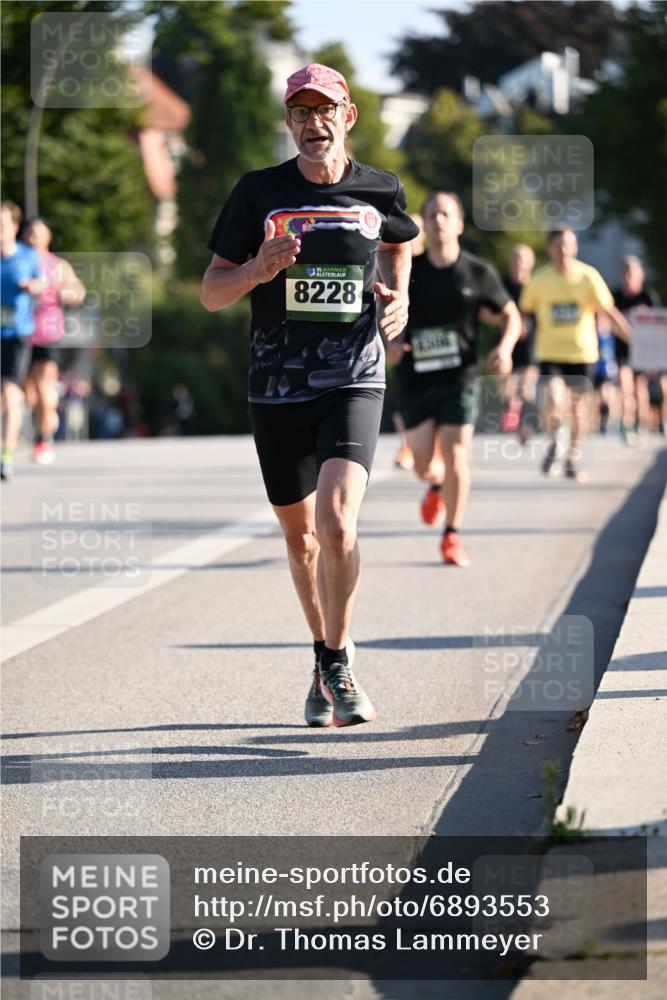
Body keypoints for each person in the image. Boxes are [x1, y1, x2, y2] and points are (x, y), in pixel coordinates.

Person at [201, 64, 418, 727]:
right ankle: (327, 654)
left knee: (338, 521)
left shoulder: (380, 188)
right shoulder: (258, 192)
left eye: (324, 110)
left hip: (353, 375)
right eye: (299, 112)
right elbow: (212, 293)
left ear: (347, 116)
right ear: (288, 122)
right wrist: (257, 269)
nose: (312, 122)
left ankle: (335, 660)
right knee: (300, 542)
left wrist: (397, 292)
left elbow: (398, 244)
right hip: (276, 388)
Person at [389, 191, 521, 567]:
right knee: (425, 465)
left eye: (445, 213)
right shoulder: (408, 270)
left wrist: (506, 348)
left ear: (459, 224)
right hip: (415, 378)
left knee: (457, 454)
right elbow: (388, 312)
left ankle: (452, 535)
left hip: (460, 378)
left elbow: (511, 316)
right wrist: (393, 341)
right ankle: (434, 486)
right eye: (431, 214)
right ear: (424, 225)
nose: (437, 220)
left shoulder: (477, 272)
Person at [519, 228, 631, 481]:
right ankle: (555, 440)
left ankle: (572, 455)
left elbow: (609, 311)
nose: (564, 250)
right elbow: (523, 313)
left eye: (568, 244)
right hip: (550, 353)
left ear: (575, 247)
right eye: (558, 245)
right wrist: (516, 333)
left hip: (583, 353)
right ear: (549, 249)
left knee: (580, 412)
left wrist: (633, 338)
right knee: (553, 401)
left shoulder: (588, 277)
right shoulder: (539, 280)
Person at [22, 216, 87, 464]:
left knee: (44, 385)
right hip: (19, 333)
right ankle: (47, 416)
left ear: (48, 237)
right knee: (28, 393)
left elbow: (78, 291)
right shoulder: (16, 262)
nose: (33, 237)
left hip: (48, 332)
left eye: (38, 233)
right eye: (29, 233)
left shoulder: (57, 265)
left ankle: (43, 439)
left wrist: (66, 292)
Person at [1, 201, 45, 481]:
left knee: (10, 394)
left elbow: (42, 283)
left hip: (17, 335)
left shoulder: (28, 256)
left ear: (14, 227)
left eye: (2, 224)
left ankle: (6, 457)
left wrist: (32, 286)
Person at [612, 255, 661, 443]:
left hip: (643, 351)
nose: (627, 277)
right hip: (622, 350)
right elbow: (606, 319)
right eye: (624, 273)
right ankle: (627, 423)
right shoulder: (615, 296)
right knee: (625, 386)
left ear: (640, 275)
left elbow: (659, 325)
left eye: (631, 273)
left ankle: (642, 422)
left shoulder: (647, 297)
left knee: (640, 388)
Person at [392, 212, 425, 472]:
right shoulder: (391, 262)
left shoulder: (432, 266)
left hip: (433, 349)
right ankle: (407, 446)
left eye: (414, 229)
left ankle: (430, 448)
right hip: (403, 346)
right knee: (403, 396)